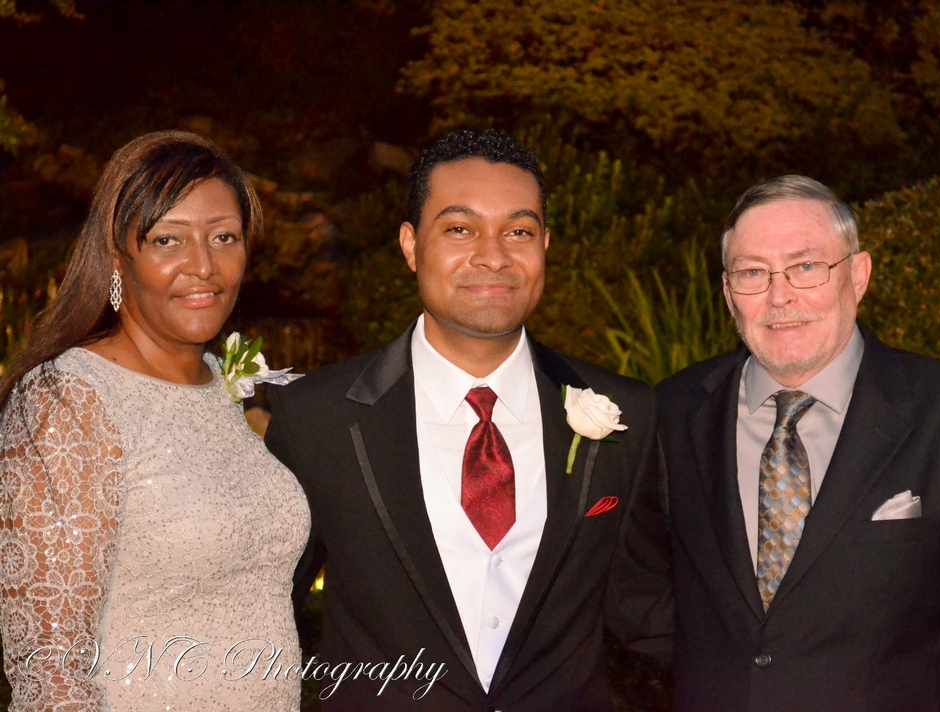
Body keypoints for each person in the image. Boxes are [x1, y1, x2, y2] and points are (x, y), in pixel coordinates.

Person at [264, 129, 672, 710]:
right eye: (460, 229)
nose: (493, 255)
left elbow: (646, 608)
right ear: (410, 245)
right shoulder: (315, 417)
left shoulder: (627, 412)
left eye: (518, 231)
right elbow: (264, 613)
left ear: (545, 245)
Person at [657, 175, 940, 711]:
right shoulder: (672, 413)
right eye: (752, 273)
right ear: (728, 294)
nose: (780, 295)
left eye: (806, 267)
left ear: (859, 275)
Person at [0, 131, 310, 710]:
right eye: (169, 240)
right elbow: (49, 668)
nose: (204, 266)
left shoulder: (221, 384)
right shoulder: (67, 400)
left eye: (224, 237)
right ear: (118, 259)